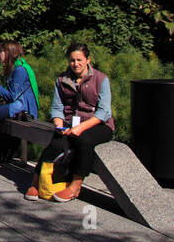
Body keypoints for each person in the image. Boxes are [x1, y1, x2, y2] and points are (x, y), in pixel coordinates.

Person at [25, 42, 115, 203]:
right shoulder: (62, 80)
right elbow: (57, 107)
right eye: (72, 60)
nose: (76, 64)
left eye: (79, 60)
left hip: (98, 124)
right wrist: (59, 124)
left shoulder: (101, 79)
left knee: (84, 141)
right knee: (55, 144)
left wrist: (80, 128)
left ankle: (75, 186)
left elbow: (104, 112)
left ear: (88, 59)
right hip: (70, 123)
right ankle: (35, 183)